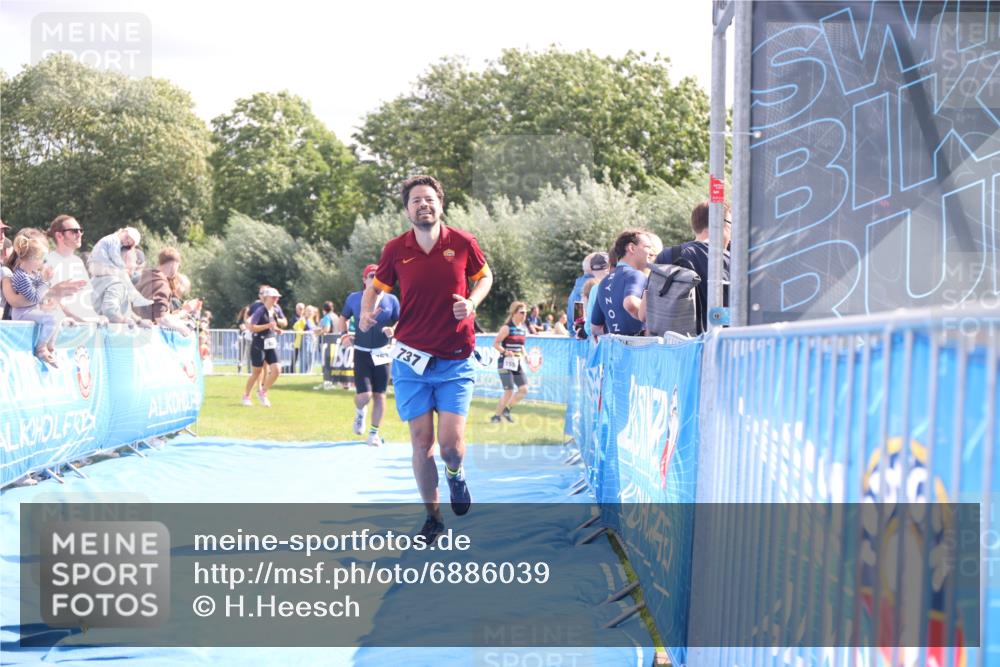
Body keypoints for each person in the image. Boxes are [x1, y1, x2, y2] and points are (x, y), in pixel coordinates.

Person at [358, 174, 493, 542]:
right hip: (410, 360)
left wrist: (472, 303)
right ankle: (433, 517)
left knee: (450, 447)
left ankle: (456, 474)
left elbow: (485, 277)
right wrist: (367, 311)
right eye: (416, 200)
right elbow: (377, 286)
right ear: (407, 210)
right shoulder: (396, 249)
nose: (423, 204)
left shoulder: (463, 242)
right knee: (421, 443)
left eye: (429, 198)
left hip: (455, 358)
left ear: (440, 203)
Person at [340, 264, 400, 447]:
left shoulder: (391, 300)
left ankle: (374, 433)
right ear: (364, 279)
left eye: (380, 275)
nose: (376, 279)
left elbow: (400, 320)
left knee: (380, 395)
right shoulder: (354, 298)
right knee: (365, 395)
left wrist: (393, 329)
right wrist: (344, 335)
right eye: (372, 275)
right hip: (362, 352)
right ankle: (360, 411)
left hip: (383, 353)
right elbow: (343, 317)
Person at [671, 201, 731, 333]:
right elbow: (737, 314)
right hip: (716, 347)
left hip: (673, 347)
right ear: (723, 224)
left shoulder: (666, 256)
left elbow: (644, 313)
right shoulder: (730, 261)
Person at [2, 226, 84, 320]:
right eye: (41, 256)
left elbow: (55, 304)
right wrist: (51, 291)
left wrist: (81, 320)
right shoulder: (9, 273)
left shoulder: (36, 273)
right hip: (15, 327)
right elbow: (16, 302)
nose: (45, 261)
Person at [6, 235, 61, 366]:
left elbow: (42, 292)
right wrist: (45, 280)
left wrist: (46, 280)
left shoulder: (32, 274)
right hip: (21, 314)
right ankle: (41, 348)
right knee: (51, 319)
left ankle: (50, 346)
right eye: (41, 259)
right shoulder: (21, 276)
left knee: (57, 314)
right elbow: (34, 297)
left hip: (30, 310)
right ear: (32, 259)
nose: (42, 263)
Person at [591, 230, 653, 337]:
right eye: (647, 247)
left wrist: (616, 329)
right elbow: (630, 303)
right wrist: (653, 322)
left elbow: (595, 329)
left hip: (616, 350)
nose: (651, 253)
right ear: (631, 248)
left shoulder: (604, 282)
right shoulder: (636, 275)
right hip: (639, 348)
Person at [45, 214, 100, 322]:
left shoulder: (78, 261)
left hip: (84, 325)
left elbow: (87, 298)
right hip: (64, 327)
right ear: (59, 236)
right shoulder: (48, 261)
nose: (79, 234)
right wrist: (82, 319)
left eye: (80, 230)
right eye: (74, 231)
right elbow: (51, 299)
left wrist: (95, 317)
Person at [243, 286, 285, 407]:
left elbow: (272, 325)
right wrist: (267, 326)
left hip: (271, 343)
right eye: (274, 297)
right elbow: (251, 327)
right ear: (266, 298)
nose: (276, 300)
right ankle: (246, 395)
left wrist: (276, 330)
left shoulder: (275, 310)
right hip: (258, 343)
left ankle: (263, 392)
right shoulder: (260, 311)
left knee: (277, 370)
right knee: (256, 372)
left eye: (277, 298)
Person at [135, 246, 190, 335]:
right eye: (178, 267)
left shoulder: (146, 276)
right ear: (174, 264)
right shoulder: (161, 284)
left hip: (136, 332)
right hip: (149, 337)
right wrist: (182, 328)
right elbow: (161, 318)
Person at [491, 301, 529, 423]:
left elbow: (521, 346)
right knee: (509, 390)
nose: (524, 315)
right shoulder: (506, 328)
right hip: (505, 362)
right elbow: (495, 344)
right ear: (514, 313)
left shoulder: (523, 329)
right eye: (521, 312)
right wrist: (505, 352)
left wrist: (526, 355)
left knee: (524, 389)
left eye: (525, 313)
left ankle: (506, 410)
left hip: (516, 362)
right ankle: (496, 416)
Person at [566, 252, 596, 336]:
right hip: (589, 339)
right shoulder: (593, 287)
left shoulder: (576, 288)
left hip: (577, 338)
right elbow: (579, 318)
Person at [582, 251, 611, 339]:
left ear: (592, 271)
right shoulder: (622, 284)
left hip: (602, 341)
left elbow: (589, 328)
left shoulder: (595, 289)